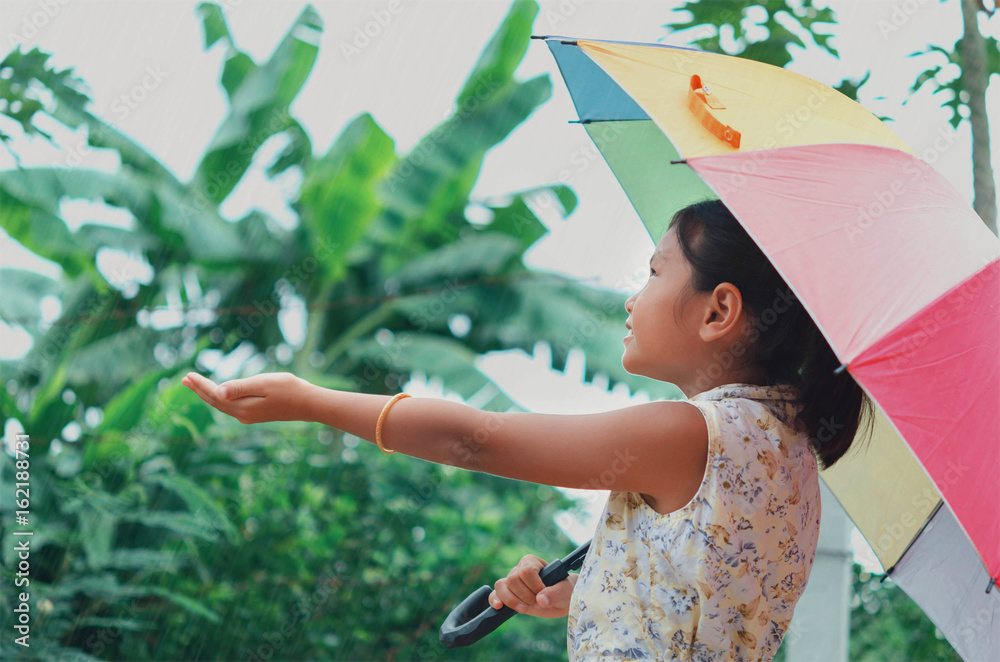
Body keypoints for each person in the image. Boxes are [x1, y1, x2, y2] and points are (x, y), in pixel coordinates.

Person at [183, 198, 875, 661]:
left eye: (657, 272)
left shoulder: (692, 434)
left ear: (718, 310)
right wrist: (578, 592)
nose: (634, 298)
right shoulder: (789, 452)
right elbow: (698, 599)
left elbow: (477, 439)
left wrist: (314, 401)